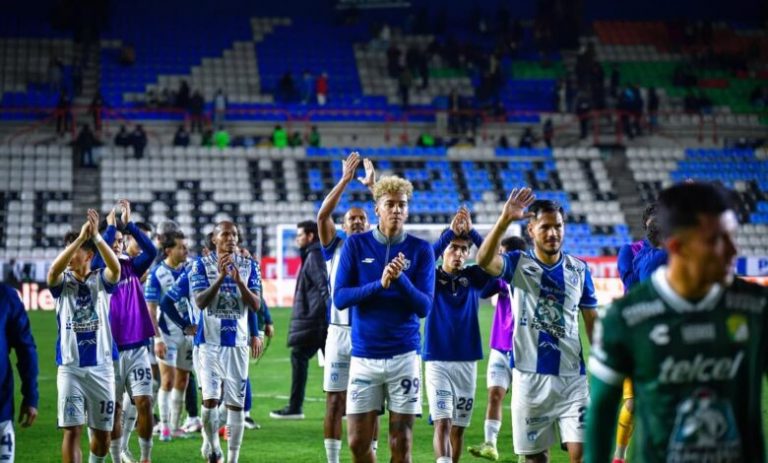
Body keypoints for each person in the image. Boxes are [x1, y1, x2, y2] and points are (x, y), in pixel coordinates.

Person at [586, 182, 767, 462]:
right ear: (676, 246)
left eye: (732, 236)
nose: (734, 250)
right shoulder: (623, 320)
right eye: (717, 240)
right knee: (630, 405)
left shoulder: (757, 307)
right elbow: (599, 421)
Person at [476, 191, 598, 463]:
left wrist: (605, 363)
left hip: (572, 381)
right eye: (545, 227)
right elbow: (484, 260)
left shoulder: (579, 270)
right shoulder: (518, 263)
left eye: (558, 226)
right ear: (531, 230)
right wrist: (505, 220)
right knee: (535, 460)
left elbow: (592, 322)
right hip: (529, 382)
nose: (553, 233)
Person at [334, 175, 436, 463]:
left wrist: (400, 278)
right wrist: (379, 284)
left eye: (402, 204)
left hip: (404, 356)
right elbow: (340, 298)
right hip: (364, 356)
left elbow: (424, 307)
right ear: (376, 209)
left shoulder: (421, 249)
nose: (396, 210)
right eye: (390, 204)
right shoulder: (356, 245)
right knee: (357, 443)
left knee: (400, 444)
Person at [424, 207, 501, 463]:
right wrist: (449, 234)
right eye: (453, 248)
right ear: (444, 250)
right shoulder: (429, 276)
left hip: (467, 361)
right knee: (443, 422)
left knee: (458, 428)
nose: (458, 253)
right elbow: (423, 259)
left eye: (463, 249)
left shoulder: (474, 277)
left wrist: (473, 232)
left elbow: (495, 261)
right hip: (437, 359)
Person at [316, 152, 375, 462]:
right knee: (335, 402)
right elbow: (321, 216)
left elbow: (392, 215)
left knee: (371, 405)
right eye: (352, 218)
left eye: (362, 218)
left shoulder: (378, 245)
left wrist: (374, 187)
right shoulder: (334, 246)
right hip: (339, 333)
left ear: (369, 224)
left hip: (370, 332)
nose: (357, 221)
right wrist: (345, 180)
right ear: (343, 225)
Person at [49, 209, 121, 463]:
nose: (68, 255)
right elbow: (52, 272)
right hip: (70, 369)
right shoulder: (62, 283)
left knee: (103, 436)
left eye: (75, 250)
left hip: (102, 369)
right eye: (66, 249)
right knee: (72, 431)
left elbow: (116, 268)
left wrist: (97, 237)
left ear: (89, 255)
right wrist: (79, 239)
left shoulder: (101, 280)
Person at [189, 221, 263, 463]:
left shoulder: (250, 265)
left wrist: (239, 281)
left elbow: (256, 305)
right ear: (214, 239)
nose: (231, 238)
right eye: (225, 234)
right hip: (208, 344)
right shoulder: (200, 265)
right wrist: (221, 277)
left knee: (236, 405)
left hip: (237, 345)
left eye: (234, 234)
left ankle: (232, 459)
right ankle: (212, 445)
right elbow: (200, 301)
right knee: (210, 400)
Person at [91, 201, 158, 463]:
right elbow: (99, 258)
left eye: (121, 240)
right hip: (110, 351)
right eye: (115, 240)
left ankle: (145, 457)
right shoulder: (98, 267)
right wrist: (109, 230)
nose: (118, 244)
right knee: (116, 409)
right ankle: (117, 458)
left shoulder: (131, 265)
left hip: (138, 347)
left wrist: (129, 225)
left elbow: (152, 251)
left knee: (144, 402)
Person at [468, 236, 528, 462]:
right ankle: (490, 444)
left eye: (501, 252)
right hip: (500, 346)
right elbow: (484, 292)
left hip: (524, 350)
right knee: (495, 394)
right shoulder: (500, 277)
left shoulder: (528, 277)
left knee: (524, 403)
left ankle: (526, 451)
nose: (498, 256)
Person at [270, 220, 330, 419]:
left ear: (310, 236)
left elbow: (323, 286)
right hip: (319, 319)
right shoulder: (314, 254)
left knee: (299, 356)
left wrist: (329, 314)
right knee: (333, 362)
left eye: (300, 235)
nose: (297, 239)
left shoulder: (314, 255)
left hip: (315, 320)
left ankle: (296, 407)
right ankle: (347, 406)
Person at [145, 231, 191, 441]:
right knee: (168, 380)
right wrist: (157, 339)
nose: (185, 250)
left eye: (186, 246)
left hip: (188, 334)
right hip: (167, 334)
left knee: (183, 380)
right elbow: (151, 309)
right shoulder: (156, 274)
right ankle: (163, 426)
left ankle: (175, 426)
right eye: (181, 247)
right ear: (168, 250)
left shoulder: (191, 269)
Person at [0, 284, 38, 463]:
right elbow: (26, 348)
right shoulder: (5, 295)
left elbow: (25, 349)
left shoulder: (6, 296)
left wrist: (31, 396)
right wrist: (30, 397)